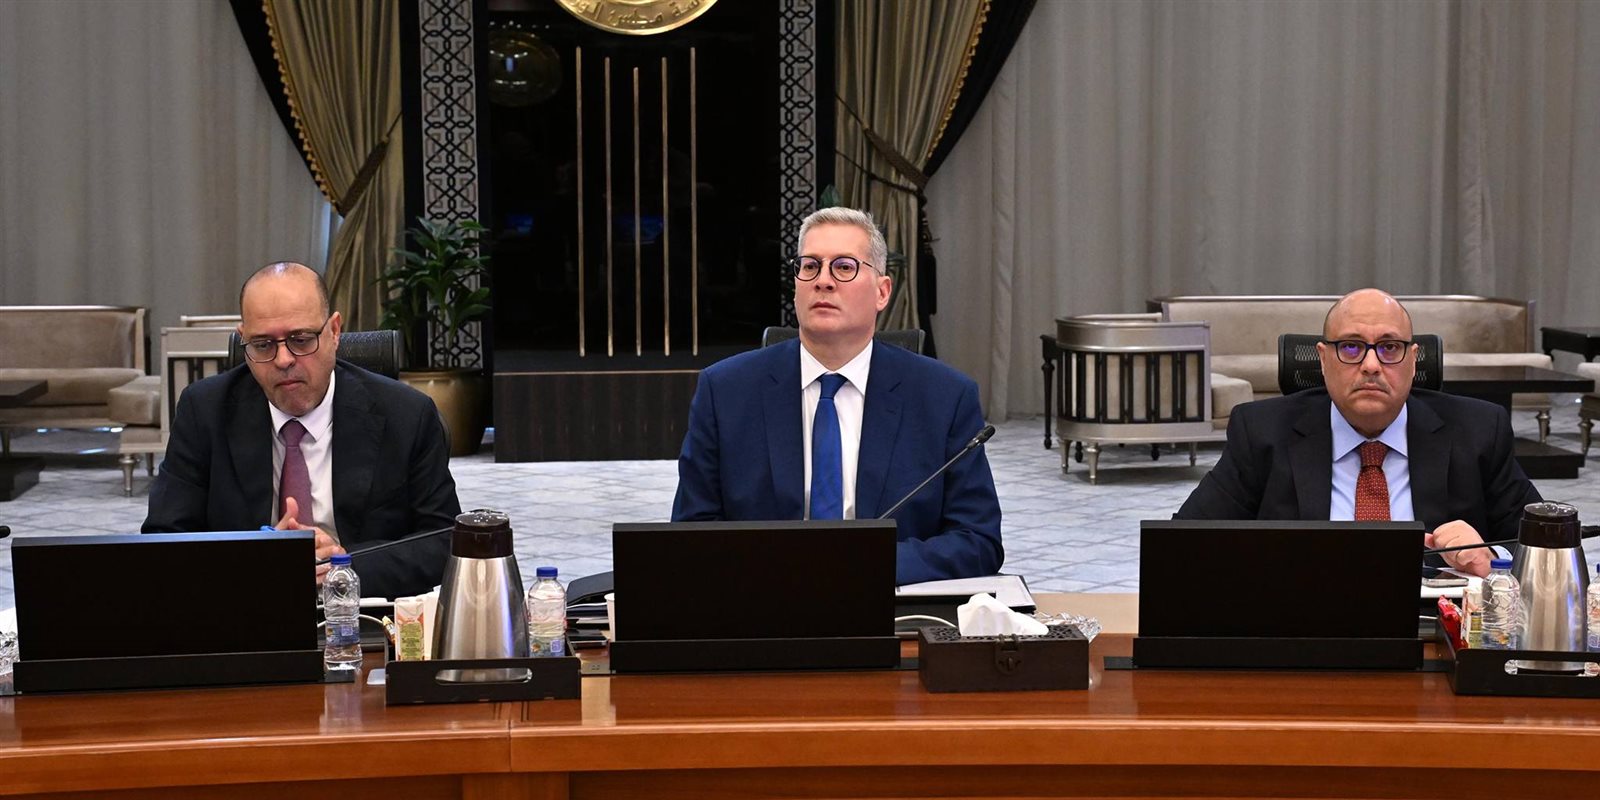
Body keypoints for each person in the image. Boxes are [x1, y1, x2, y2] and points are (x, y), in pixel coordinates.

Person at [671, 207, 1003, 585]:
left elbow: (978, 540)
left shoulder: (944, 397)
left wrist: (864, 564)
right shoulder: (726, 391)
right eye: (810, 266)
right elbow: (691, 530)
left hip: (891, 604)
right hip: (764, 600)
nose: (823, 281)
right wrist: (780, 567)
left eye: (844, 267)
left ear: (882, 292)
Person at [144, 262, 461, 598]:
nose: (283, 359)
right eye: (263, 344)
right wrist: (258, 558)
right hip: (249, 606)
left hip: (365, 611)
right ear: (244, 341)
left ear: (334, 331)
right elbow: (162, 540)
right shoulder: (204, 411)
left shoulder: (406, 414)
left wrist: (343, 563)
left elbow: (444, 540)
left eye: (301, 339)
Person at [1175, 288, 1541, 576]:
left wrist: (1492, 558)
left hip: (1432, 628)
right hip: (1302, 628)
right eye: (1351, 347)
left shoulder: (1478, 431)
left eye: (1389, 348)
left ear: (1414, 360)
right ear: (1323, 359)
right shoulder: (1262, 432)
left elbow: (1549, 550)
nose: (1370, 365)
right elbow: (1181, 542)